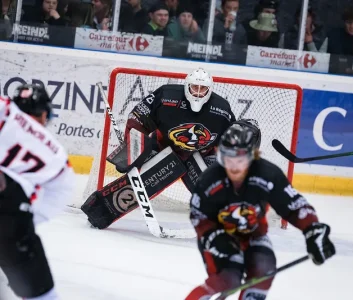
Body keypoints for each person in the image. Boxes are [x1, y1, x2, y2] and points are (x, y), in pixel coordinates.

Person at [185, 121, 335, 299]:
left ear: (252, 156)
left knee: (264, 270)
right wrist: (215, 239)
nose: (233, 167)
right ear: (219, 154)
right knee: (228, 278)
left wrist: (312, 230)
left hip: (254, 234)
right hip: (219, 235)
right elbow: (199, 216)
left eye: (239, 160)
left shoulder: (268, 175)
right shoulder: (209, 180)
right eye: (228, 158)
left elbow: (295, 206)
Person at [82, 68, 239, 230]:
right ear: (187, 86)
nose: (198, 93)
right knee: (142, 181)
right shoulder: (166, 96)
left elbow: (228, 139)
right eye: (194, 88)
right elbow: (138, 117)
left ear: (209, 90)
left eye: (202, 89)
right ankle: (98, 211)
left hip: (201, 153)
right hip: (164, 147)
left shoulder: (222, 109)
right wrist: (133, 149)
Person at [0, 84, 75, 300]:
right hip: (11, 219)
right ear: (43, 114)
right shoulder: (56, 153)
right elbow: (55, 198)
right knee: (43, 295)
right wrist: (22, 226)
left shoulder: (5, 109)